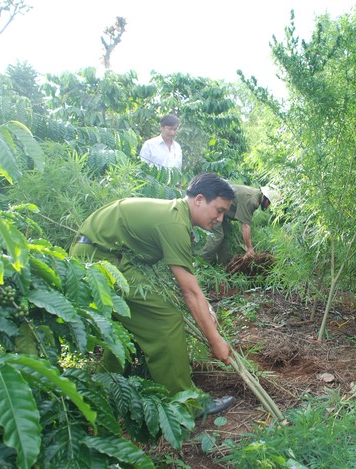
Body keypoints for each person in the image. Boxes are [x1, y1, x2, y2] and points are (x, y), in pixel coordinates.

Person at [69, 173, 236, 415]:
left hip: (93, 253)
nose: (220, 219)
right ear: (199, 199)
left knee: (132, 325)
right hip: (99, 260)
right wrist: (216, 341)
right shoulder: (175, 223)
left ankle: (101, 392)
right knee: (164, 320)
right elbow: (190, 292)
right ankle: (186, 403)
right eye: (218, 210)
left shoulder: (175, 214)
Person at [200, 184, 281, 265]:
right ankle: (202, 263)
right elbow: (245, 226)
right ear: (265, 199)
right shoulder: (252, 201)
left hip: (221, 209)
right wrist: (249, 248)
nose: (268, 206)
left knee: (226, 233)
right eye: (269, 203)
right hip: (213, 206)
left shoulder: (255, 194)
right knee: (217, 236)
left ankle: (223, 263)